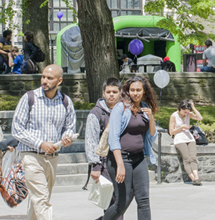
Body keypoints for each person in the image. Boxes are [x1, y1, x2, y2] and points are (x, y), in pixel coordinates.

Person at [12, 64, 76, 219]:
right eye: (43, 77)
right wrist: (40, 143)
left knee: (40, 200)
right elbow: (17, 129)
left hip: (52, 158)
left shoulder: (66, 102)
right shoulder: (29, 98)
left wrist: (66, 138)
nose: (44, 80)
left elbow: (69, 127)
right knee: (41, 199)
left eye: (49, 78)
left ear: (59, 81)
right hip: (31, 156)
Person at [104, 76, 158, 220]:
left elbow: (152, 136)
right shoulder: (120, 107)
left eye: (138, 90)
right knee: (121, 204)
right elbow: (113, 138)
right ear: (127, 91)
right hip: (121, 159)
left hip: (139, 158)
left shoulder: (145, 108)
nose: (135, 93)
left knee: (144, 200)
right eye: (132, 90)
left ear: (143, 91)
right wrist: (120, 165)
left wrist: (151, 118)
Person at [85, 78, 124, 220]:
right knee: (111, 201)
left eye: (115, 92)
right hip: (105, 163)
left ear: (120, 93)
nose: (111, 95)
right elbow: (91, 140)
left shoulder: (125, 111)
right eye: (108, 92)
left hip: (122, 161)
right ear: (103, 93)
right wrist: (96, 165)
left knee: (121, 201)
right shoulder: (96, 113)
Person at [169, 100, 203, 185]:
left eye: (187, 112)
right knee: (186, 158)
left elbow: (200, 118)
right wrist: (181, 128)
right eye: (184, 112)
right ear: (180, 108)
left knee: (193, 157)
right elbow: (171, 132)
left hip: (189, 138)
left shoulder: (188, 114)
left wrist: (193, 107)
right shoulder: (174, 115)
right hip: (179, 139)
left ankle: (197, 178)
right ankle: (193, 178)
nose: (185, 114)